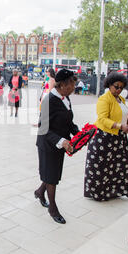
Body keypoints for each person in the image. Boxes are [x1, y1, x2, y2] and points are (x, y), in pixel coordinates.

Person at [34, 69, 79, 224]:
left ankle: (40, 192)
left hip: (60, 143)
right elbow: (43, 128)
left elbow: (68, 121)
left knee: (52, 174)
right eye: (72, 84)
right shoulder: (49, 100)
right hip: (48, 143)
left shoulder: (65, 98)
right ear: (63, 85)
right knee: (52, 177)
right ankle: (52, 208)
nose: (75, 87)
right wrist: (62, 141)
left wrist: (79, 133)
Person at [84, 72, 128, 202]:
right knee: (102, 167)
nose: (118, 90)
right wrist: (120, 126)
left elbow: (123, 116)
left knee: (119, 166)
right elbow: (102, 119)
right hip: (104, 138)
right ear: (109, 85)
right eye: (116, 87)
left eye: (121, 88)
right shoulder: (104, 99)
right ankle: (99, 193)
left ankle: (120, 190)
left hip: (119, 138)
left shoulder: (121, 99)